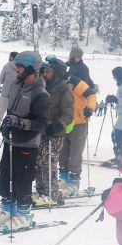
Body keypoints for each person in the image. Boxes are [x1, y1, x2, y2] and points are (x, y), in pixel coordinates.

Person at [0, 51, 50, 232]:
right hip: (11, 139)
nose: (17, 70)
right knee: (5, 175)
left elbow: (42, 123)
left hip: (27, 143)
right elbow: (11, 111)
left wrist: (20, 123)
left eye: (20, 68)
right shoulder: (16, 85)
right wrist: (8, 122)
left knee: (22, 179)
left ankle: (24, 214)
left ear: (31, 70)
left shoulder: (40, 93)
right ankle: (8, 210)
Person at [34, 56, 74, 205]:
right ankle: (41, 191)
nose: (44, 74)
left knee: (49, 162)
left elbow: (69, 114)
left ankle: (52, 192)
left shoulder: (64, 90)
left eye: (48, 71)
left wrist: (59, 124)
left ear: (56, 73)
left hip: (54, 133)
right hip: (41, 131)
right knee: (39, 161)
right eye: (43, 71)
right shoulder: (42, 87)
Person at [58, 63, 97, 195]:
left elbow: (91, 96)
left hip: (79, 122)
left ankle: (73, 184)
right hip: (64, 122)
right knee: (62, 154)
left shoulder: (74, 81)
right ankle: (63, 180)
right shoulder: (55, 82)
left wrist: (90, 108)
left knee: (75, 154)